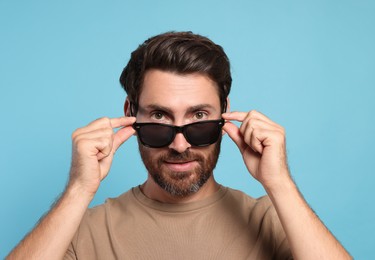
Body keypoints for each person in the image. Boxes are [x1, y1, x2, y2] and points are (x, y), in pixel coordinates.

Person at [7, 31, 351, 259]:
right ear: (130, 113)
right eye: (159, 118)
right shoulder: (86, 232)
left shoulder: (270, 222)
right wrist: (78, 189)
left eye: (199, 117)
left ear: (225, 114)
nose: (180, 143)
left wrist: (281, 184)